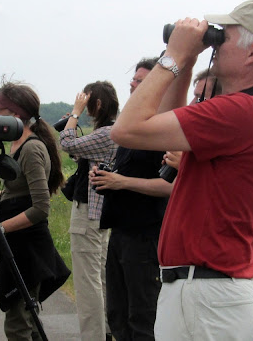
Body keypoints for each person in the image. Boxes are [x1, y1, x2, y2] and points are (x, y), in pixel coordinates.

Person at [109, 0, 253, 340]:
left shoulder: (241, 111)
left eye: (222, 37)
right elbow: (161, 131)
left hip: (206, 296)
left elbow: (126, 130)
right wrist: (187, 63)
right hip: (214, 295)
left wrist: (173, 57)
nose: (213, 42)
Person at [89, 58, 173, 341]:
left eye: (140, 81)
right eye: (133, 80)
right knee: (117, 313)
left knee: (142, 315)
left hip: (146, 235)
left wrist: (120, 181)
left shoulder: (164, 129)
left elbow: (169, 186)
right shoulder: (133, 128)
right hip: (120, 232)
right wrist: (107, 179)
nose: (132, 84)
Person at [0, 79, 70, 340]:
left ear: (16, 114)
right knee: (23, 318)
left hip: (28, 247)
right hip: (17, 244)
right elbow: (26, 190)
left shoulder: (31, 148)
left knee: (19, 323)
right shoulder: (17, 144)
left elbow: (41, 207)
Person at [58, 81, 119, 341]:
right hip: (102, 214)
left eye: (87, 101)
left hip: (89, 213)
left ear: (98, 104)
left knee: (87, 282)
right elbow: (80, 152)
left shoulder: (108, 133)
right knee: (101, 277)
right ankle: (104, 332)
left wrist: (74, 114)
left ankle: (93, 336)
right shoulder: (115, 131)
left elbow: (68, 144)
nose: (84, 106)